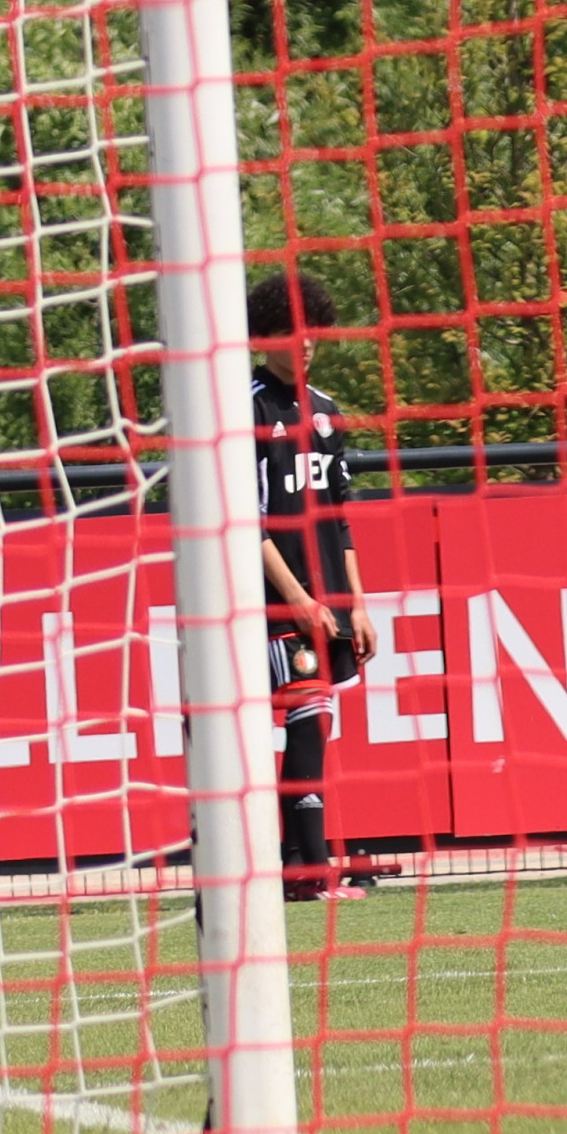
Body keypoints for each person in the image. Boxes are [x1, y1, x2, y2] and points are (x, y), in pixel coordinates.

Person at [248, 270, 381, 903]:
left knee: (317, 725)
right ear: (261, 338)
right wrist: (296, 598)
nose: (304, 343)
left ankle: (299, 868)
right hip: (278, 601)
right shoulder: (246, 409)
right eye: (289, 331)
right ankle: (310, 871)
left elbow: (341, 515)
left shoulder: (326, 412)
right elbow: (250, 523)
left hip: (330, 599)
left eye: (311, 332)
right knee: (305, 720)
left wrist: (357, 601)